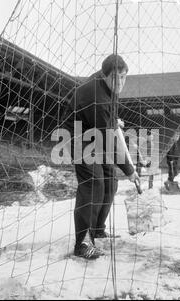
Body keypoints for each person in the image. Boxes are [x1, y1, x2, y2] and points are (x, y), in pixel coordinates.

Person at [62, 54, 140, 260]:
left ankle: (97, 229)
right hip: (79, 138)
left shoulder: (108, 87)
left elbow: (108, 121)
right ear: (105, 76)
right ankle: (82, 244)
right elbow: (109, 141)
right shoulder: (97, 99)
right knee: (94, 183)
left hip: (96, 130)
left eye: (124, 77)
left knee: (110, 181)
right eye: (116, 77)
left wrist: (113, 120)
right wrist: (130, 171)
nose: (120, 82)